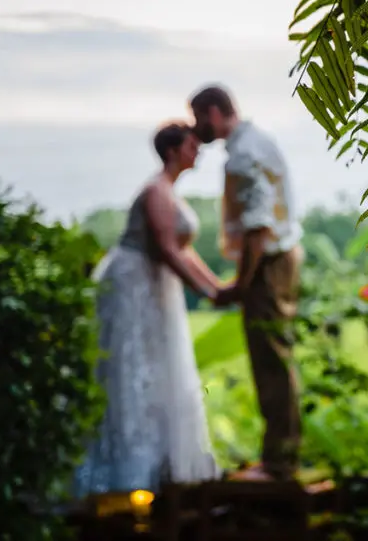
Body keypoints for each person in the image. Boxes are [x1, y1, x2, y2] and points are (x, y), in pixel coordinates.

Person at [73, 122, 222, 497]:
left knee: (159, 367)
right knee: (133, 366)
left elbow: (184, 250)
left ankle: (164, 461)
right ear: (173, 150)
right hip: (133, 284)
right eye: (192, 144)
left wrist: (219, 287)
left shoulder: (170, 193)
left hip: (156, 286)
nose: (198, 151)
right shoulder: (156, 191)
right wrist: (207, 292)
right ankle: (130, 467)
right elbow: (167, 248)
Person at [190, 85, 304, 481]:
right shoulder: (259, 141)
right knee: (276, 355)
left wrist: (242, 281)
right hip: (283, 256)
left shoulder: (242, 155)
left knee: (269, 359)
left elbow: (258, 226)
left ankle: (278, 462)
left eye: (199, 117)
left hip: (268, 264)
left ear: (215, 112)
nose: (196, 127)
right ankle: (281, 454)